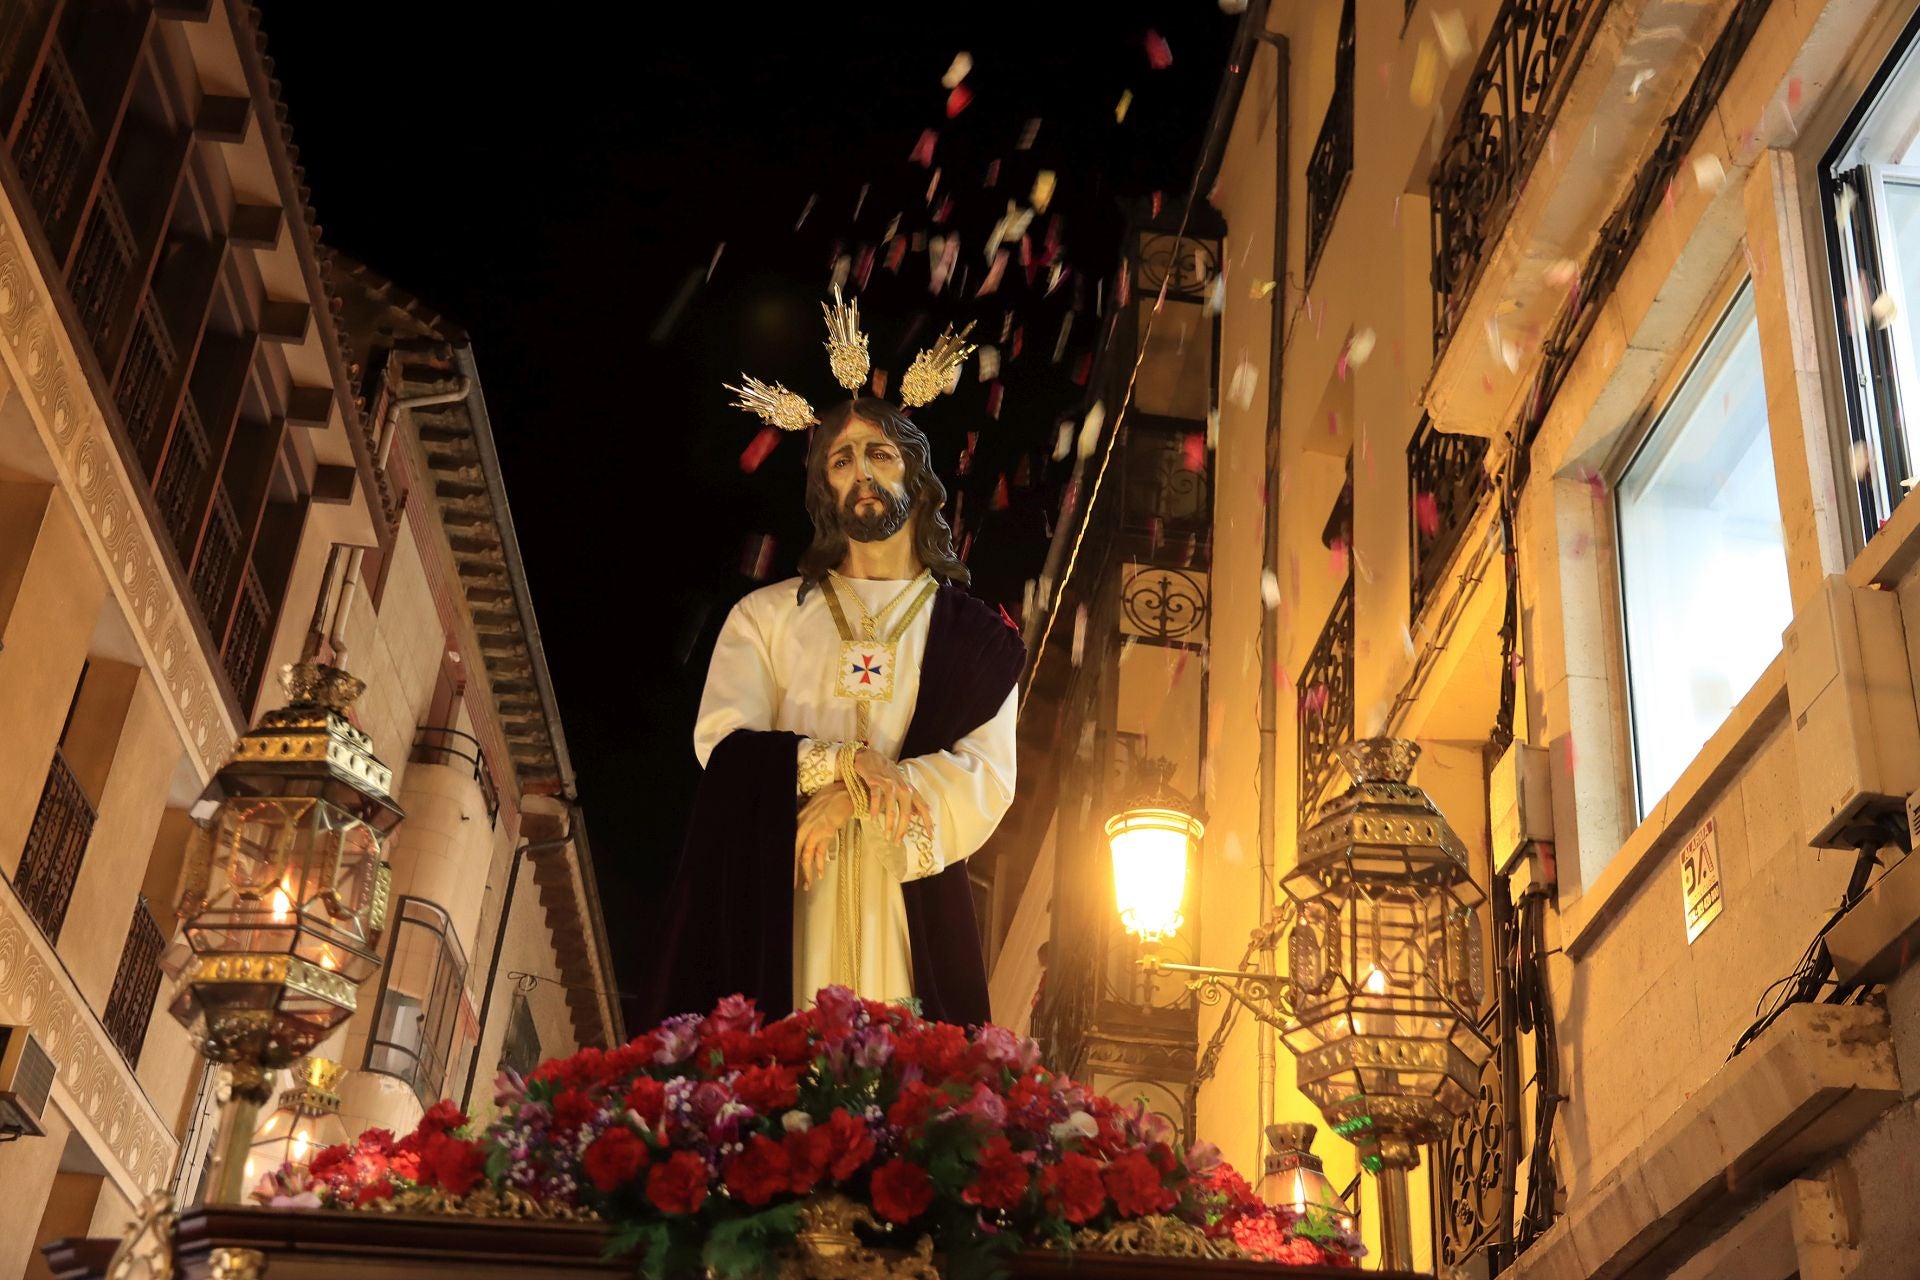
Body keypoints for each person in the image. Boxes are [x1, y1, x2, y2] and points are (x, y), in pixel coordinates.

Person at [643, 382, 1022, 1028]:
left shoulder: (974, 640)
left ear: (916, 473)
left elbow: (987, 776)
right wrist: (836, 762)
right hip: (792, 896)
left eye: (879, 453)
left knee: (903, 1083)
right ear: (824, 489)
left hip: (904, 906)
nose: (861, 473)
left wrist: (858, 790)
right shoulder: (767, 619)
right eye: (841, 462)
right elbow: (724, 743)